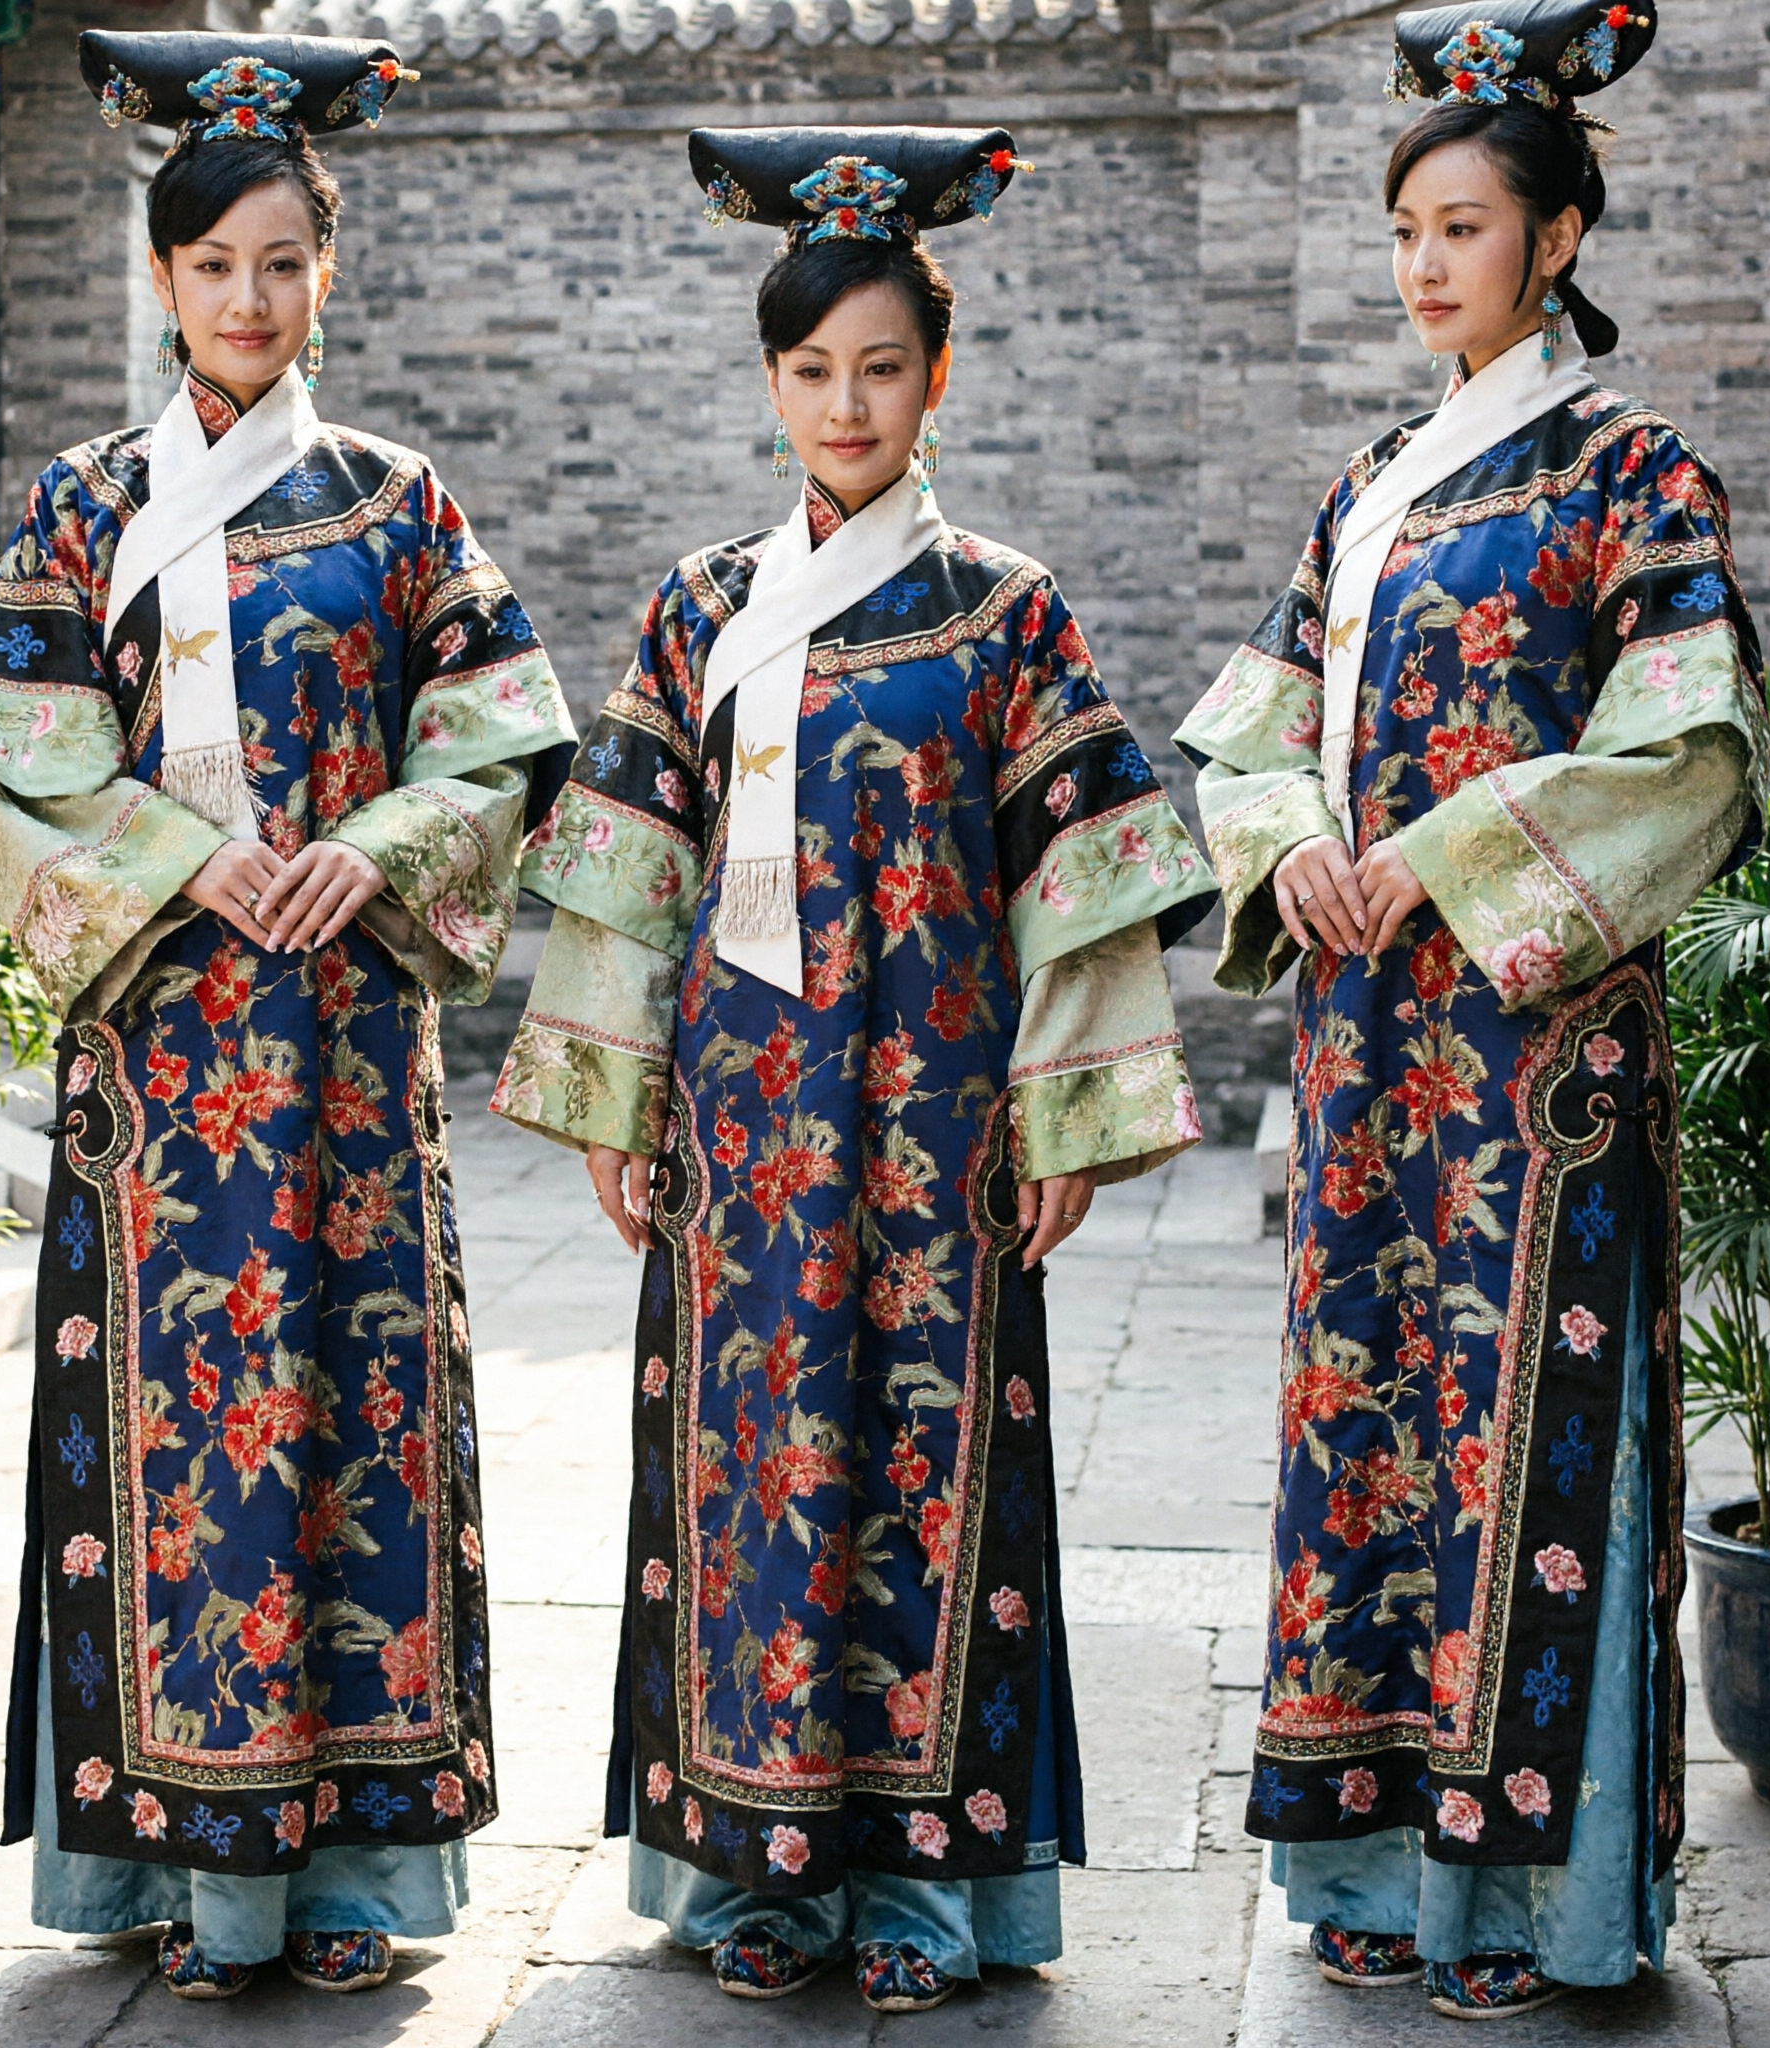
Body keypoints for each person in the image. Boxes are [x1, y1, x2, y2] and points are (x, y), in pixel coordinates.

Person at [491, 124, 1215, 2012]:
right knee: (746, 1478)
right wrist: (611, 1098)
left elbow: (1086, 883)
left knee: (930, 1469)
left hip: (941, 1126)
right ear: (770, 380)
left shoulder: (1007, 607)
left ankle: (922, 1885)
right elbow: (627, 876)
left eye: (880, 365)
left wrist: (1065, 1109)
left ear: (938, 376)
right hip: (742, 1131)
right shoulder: (698, 607)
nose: (845, 401)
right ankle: (748, 1873)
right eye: (811, 369)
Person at [0, 31, 575, 1999]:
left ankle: (359, 1871)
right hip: (165, 1069)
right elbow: (0, 764)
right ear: (161, 277)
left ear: (325, 275)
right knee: (185, 1438)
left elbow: (503, 731)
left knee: (359, 1424)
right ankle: (180, 1876)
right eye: (215, 266)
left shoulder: (395, 503)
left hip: (353, 1059)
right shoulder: (82, 508)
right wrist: (189, 866)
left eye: (285, 262)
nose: (251, 299)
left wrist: (367, 852)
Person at [1175, 2, 1767, 2021]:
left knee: (1528, 1434)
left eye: (1463, 226)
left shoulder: (1636, 480)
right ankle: (1358, 1855)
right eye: (1405, 228)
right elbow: (1243, 736)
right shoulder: (1364, 492)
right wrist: (1293, 842)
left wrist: (1428, 852)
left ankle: (1536, 1900)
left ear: (1560, 235)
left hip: (1538, 1066)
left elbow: (1687, 751)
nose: (1426, 264)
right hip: (1363, 1053)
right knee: (1360, 1421)